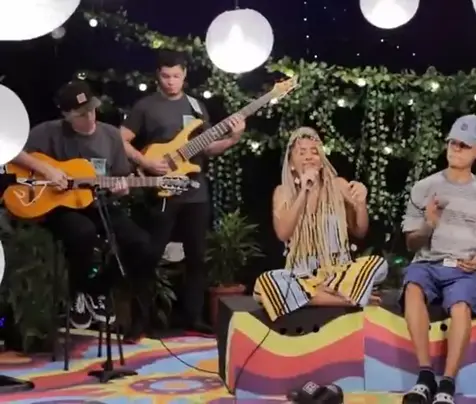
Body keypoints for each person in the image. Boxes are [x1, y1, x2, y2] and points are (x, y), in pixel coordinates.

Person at [10, 81, 157, 331]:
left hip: (100, 202)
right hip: (62, 206)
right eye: (81, 114)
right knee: (83, 233)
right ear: (66, 115)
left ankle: (97, 289)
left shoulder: (111, 135)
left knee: (142, 245)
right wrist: (46, 169)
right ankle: (77, 291)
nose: (89, 117)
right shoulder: (48, 131)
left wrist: (123, 188)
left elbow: (121, 177)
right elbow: (9, 149)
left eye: (92, 109)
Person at [120, 50, 245, 340]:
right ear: (158, 75)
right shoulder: (145, 106)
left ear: (185, 75)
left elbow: (207, 147)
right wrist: (145, 161)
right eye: (166, 76)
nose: (171, 81)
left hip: (195, 191)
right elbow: (119, 138)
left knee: (197, 256)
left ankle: (194, 317)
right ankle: (140, 321)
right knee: (150, 255)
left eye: (176, 76)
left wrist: (233, 138)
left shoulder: (196, 106)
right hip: (162, 189)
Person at [401, 115, 476, 404]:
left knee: (461, 304)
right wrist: (429, 224)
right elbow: (411, 242)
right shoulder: (424, 187)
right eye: (453, 143)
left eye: (464, 145)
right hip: (427, 264)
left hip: (465, 269)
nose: (456, 149)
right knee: (413, 286)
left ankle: (447, 384)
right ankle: (425, 376)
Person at [253, 127, 388, 321]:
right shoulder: (283, 192)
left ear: (322, 160)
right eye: (302, 152)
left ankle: (320, 296)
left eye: (314, 152)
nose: (309, 156)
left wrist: (360, 204)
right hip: (300, 276)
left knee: (378, 264)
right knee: (265, 283)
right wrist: (303, 191)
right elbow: (283, 233)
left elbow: (359, 231)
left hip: (338, 273)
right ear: (291, 164)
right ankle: (347, 300)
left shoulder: (339, 185)